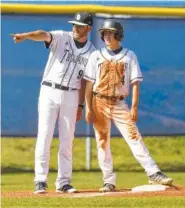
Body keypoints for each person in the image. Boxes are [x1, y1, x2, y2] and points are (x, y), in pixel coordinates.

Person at [11, 12, 96, 194]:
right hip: (49, 91)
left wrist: (81, 105)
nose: (75, 28)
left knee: (67, 140)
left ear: (88, 28)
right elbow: (43, 34)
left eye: (80, 25)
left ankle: (64, 182)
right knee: (45, 135)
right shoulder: (61, 37)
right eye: (74, 24)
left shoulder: (93, 52)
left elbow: (85, 82)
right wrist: (26, 36)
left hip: (72, 95)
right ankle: (40, 180)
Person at [84, 19, 173, 192]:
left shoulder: (129, 55)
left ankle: (153, 172)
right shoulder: (96, 55)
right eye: (105, 33)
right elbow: (88, 84)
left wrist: (134, 107)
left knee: (134, 137)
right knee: (102, 142)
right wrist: (88, 107)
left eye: (110, 33)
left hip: (119, 103)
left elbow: (135, 84)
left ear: (118, 34)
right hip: (99, 101)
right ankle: (108, 180)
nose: (107, 36)